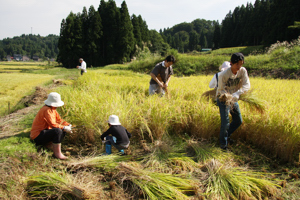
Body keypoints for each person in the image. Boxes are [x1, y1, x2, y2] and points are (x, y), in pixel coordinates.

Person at [216, 53, 250, 151]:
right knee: (225, 122)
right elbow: (220, 90)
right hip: (223, 99)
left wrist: (238, 93)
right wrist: (227, 96)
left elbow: (246, 85)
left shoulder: (243, 71)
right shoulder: (223, 75)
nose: (239, 67)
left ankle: (226, 136)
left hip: (234, 98)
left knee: (238, 120)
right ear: (231, 63)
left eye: (241, 64)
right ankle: (223, 145)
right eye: (237, 64)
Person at [30, 92, 72, 159]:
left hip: (45, 132)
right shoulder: (46, 110)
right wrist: (64, 127)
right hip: (37, 136)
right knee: (58, 131)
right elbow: (53, 125)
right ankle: (57, 154)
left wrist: (68, 125)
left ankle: (50, 146)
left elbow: (59, 120)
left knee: (62, 130)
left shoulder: (53, 109)